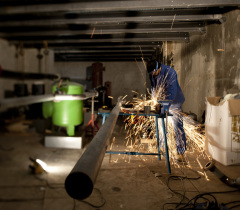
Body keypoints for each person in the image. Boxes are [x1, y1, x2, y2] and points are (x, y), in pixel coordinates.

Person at [147, 60, 186, 161]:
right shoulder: (152, 73)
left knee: (177, 126)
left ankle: (181, 152)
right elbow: (153, 88)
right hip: (161, 102)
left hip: (174, 101)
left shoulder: (170, 72)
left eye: (154, 73)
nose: (153, 75)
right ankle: (162, 148)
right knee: (160, 125)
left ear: (158, 68)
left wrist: (164, 107)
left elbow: (171, 92)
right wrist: (154, 100)